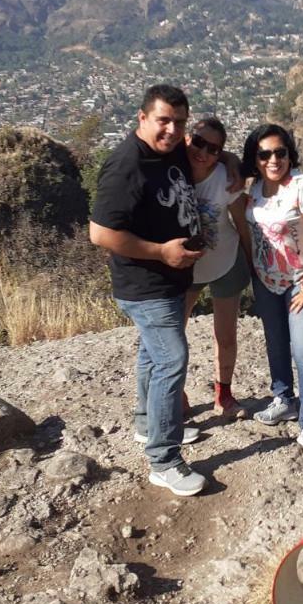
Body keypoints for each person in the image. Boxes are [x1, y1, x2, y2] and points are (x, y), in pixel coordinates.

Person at [89, 84, 207, 496]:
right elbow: (101, 233)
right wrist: (161, 252)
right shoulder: (126, 166)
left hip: (170, 280)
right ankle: (164, 459)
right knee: (172, 361)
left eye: (178, 122)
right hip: (145, 284)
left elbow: (200, 151)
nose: (172, 130)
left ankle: (147, 424)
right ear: (142, 118)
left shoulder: (169, 149)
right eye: (163, 121)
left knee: (151, 355)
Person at [238, 124, 303, 458]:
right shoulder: (253, 190)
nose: (273, 159)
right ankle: (284, 399)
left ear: (290, 153)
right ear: (255, 158)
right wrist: (254, 273)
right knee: (276, 343)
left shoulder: (302, 186)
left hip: (300, 280)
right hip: (266, 281)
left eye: (280, 152)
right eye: (264, 154)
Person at [183, 117, 251, 420]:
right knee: (173, 335)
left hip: (227, 260)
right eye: (198, 142)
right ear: (187, 138)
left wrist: (252, 261)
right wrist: (227, 154)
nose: (204, 152)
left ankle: (223, 393)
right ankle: (175, 393)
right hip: (185, 269)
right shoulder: (172, 171)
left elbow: (242, 223)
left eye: (213, 149)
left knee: (225, 335)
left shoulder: (226, 179)